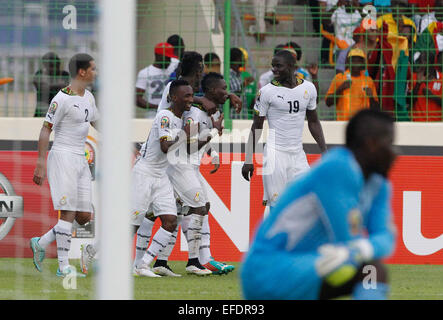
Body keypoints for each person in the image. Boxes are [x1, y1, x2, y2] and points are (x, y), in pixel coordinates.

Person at [241, 109, 397, 300]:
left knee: (368, 267)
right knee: (370, 270)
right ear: (370, 144)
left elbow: (386, 238)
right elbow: (346, 237)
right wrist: (359, 248)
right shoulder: (337, 168)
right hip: (268, 270)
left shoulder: (380, 184)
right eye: (389, 143)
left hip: (311, 265)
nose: (395, 152)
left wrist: (363, 248)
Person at [30, 53, 99, 277]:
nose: (95, 73)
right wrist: (40, 163)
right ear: (82, 72)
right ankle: (63, 267)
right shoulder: (62, 98)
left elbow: (97, 122)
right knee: (67, 213)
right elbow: (45, 129)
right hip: (63, 157)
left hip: (81, 159)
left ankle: (40, 242)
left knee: (84, 217)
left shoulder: (88, 96)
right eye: (93, 69)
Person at [157, 72, 230, 276]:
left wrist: (211, 152)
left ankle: (163, 261)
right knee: (196, 209)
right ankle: (195, 260)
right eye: (223, 88)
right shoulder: (195, 113)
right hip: (180, 165)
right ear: (210, 91)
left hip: (190, 167)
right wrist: (213, 132)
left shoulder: (208, 113)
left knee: (190, 210)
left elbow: (199, 141)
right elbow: (187, 145)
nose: (226, 92)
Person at [241, 49, 327, 209]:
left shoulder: (308, 89)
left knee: (306, 202)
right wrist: (248, 159)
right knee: (278, 207)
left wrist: (324, 150)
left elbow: (314, 121)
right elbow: (256, 126)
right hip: (275, 154)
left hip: (298, 154)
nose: (274, 70)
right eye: (273, 66)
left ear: (292, 66)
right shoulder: (266, 92)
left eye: (279, 66)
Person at [132, 79, 193, 277]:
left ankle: (143, 265)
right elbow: (166, 147)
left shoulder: (180, 119)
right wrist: (185, 134)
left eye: (191, 95)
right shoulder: (164, 116)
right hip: (144, 173)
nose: (190, 100)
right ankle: (93, 250)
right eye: (187, 96)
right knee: (131, 224)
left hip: (161, 176)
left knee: (170, 221)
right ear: (173, 98)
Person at [326, 48, 379, 120]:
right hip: (343, 123)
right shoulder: (339, 78)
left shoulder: (368, 81)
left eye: (359, 61)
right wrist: (340, 89)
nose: (356, 63)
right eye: (353, 60)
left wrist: (371, 97)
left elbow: (376, 109)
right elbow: (328, 103)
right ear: (348, 62)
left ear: (363, 63)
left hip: (362, 124)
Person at [135, 42, 179, 118]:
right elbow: (137, 99)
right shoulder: (145, 73)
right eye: (167, 57)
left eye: (170, 58)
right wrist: (158, 106)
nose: (169, 61)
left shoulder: (173, 68)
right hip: (153, 116)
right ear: (158, 55)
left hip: (171, 116)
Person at [33, 52, 70, 117]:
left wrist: (49, 85)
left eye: (56, 65)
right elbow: (42, 87)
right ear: (45, 65)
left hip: (60, 111)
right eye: (51, 66)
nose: (53, 68)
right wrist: (58, 85)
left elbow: (65, 89)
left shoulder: (64, 74)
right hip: (43, 111)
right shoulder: (39, 74)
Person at [411, 51, 442, 121]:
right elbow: (409, 102)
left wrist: (432, 96)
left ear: (431, 63)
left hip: (436, 124)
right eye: (419, 62)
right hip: (417, 123)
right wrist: (418, 83)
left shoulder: (441, 78)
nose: (420, 65)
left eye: (422, 62)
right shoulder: (414, 77)